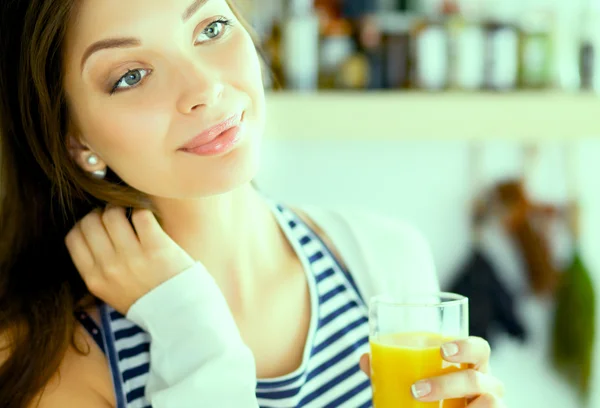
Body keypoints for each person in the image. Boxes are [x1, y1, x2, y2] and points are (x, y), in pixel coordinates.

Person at [0, 0, 505, 407]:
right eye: (131, 75)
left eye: (211, 27)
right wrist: (190, 332)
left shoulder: (385, 258)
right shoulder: (50, 361)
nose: (204, 87)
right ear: (75, 139)